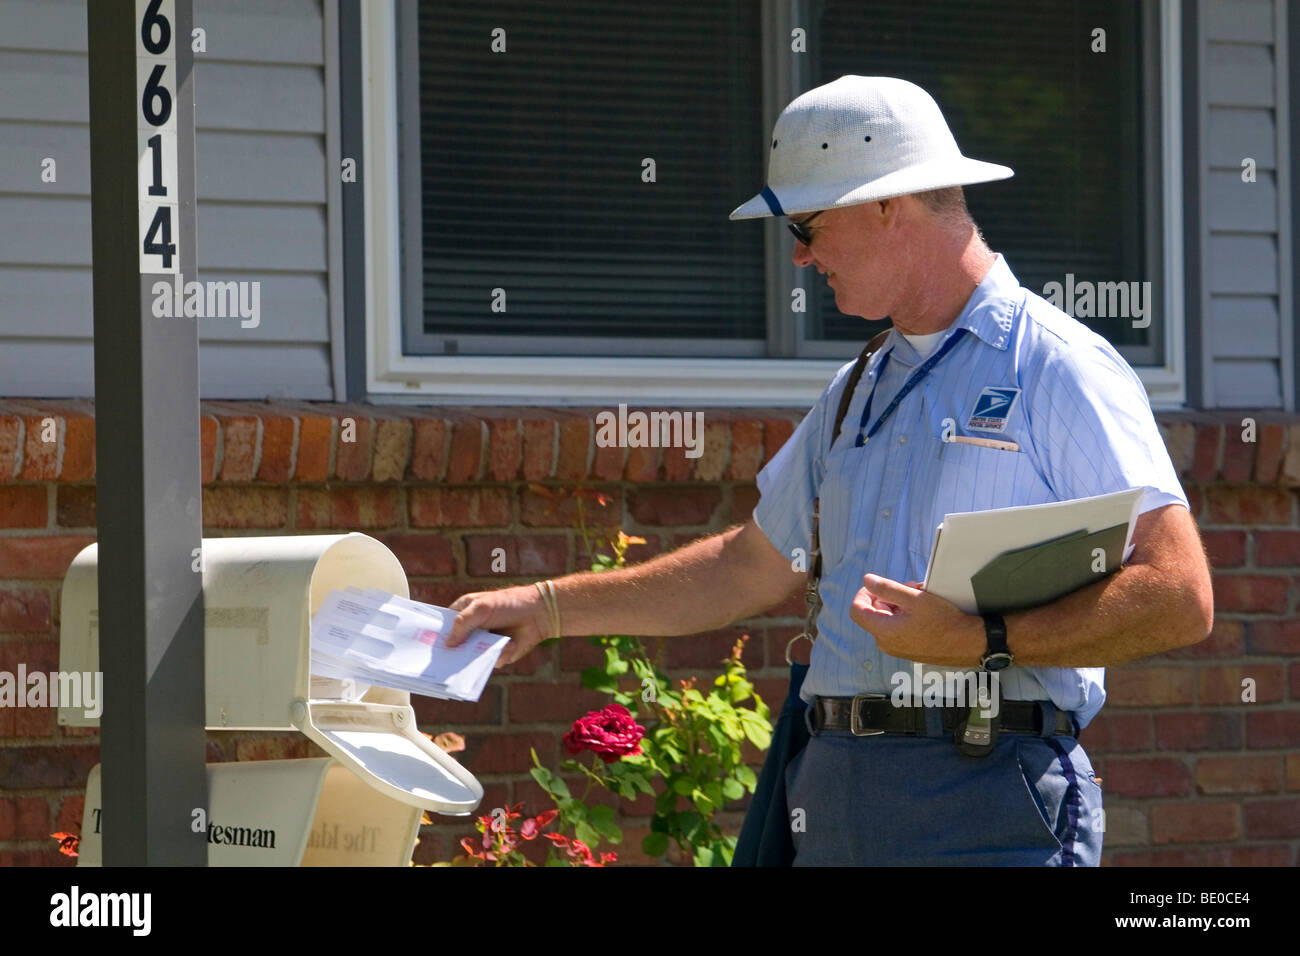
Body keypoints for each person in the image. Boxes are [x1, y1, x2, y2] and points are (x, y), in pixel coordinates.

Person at [445, 75, 1213, 866]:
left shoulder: (1059, 366)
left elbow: (1181, 595)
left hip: (990, 799)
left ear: (890, 204)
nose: (803, 256)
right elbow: (746, 568)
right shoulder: (856, 388)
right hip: (834, 799)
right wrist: (544, 607)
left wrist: (980, 640)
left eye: (806, 227)